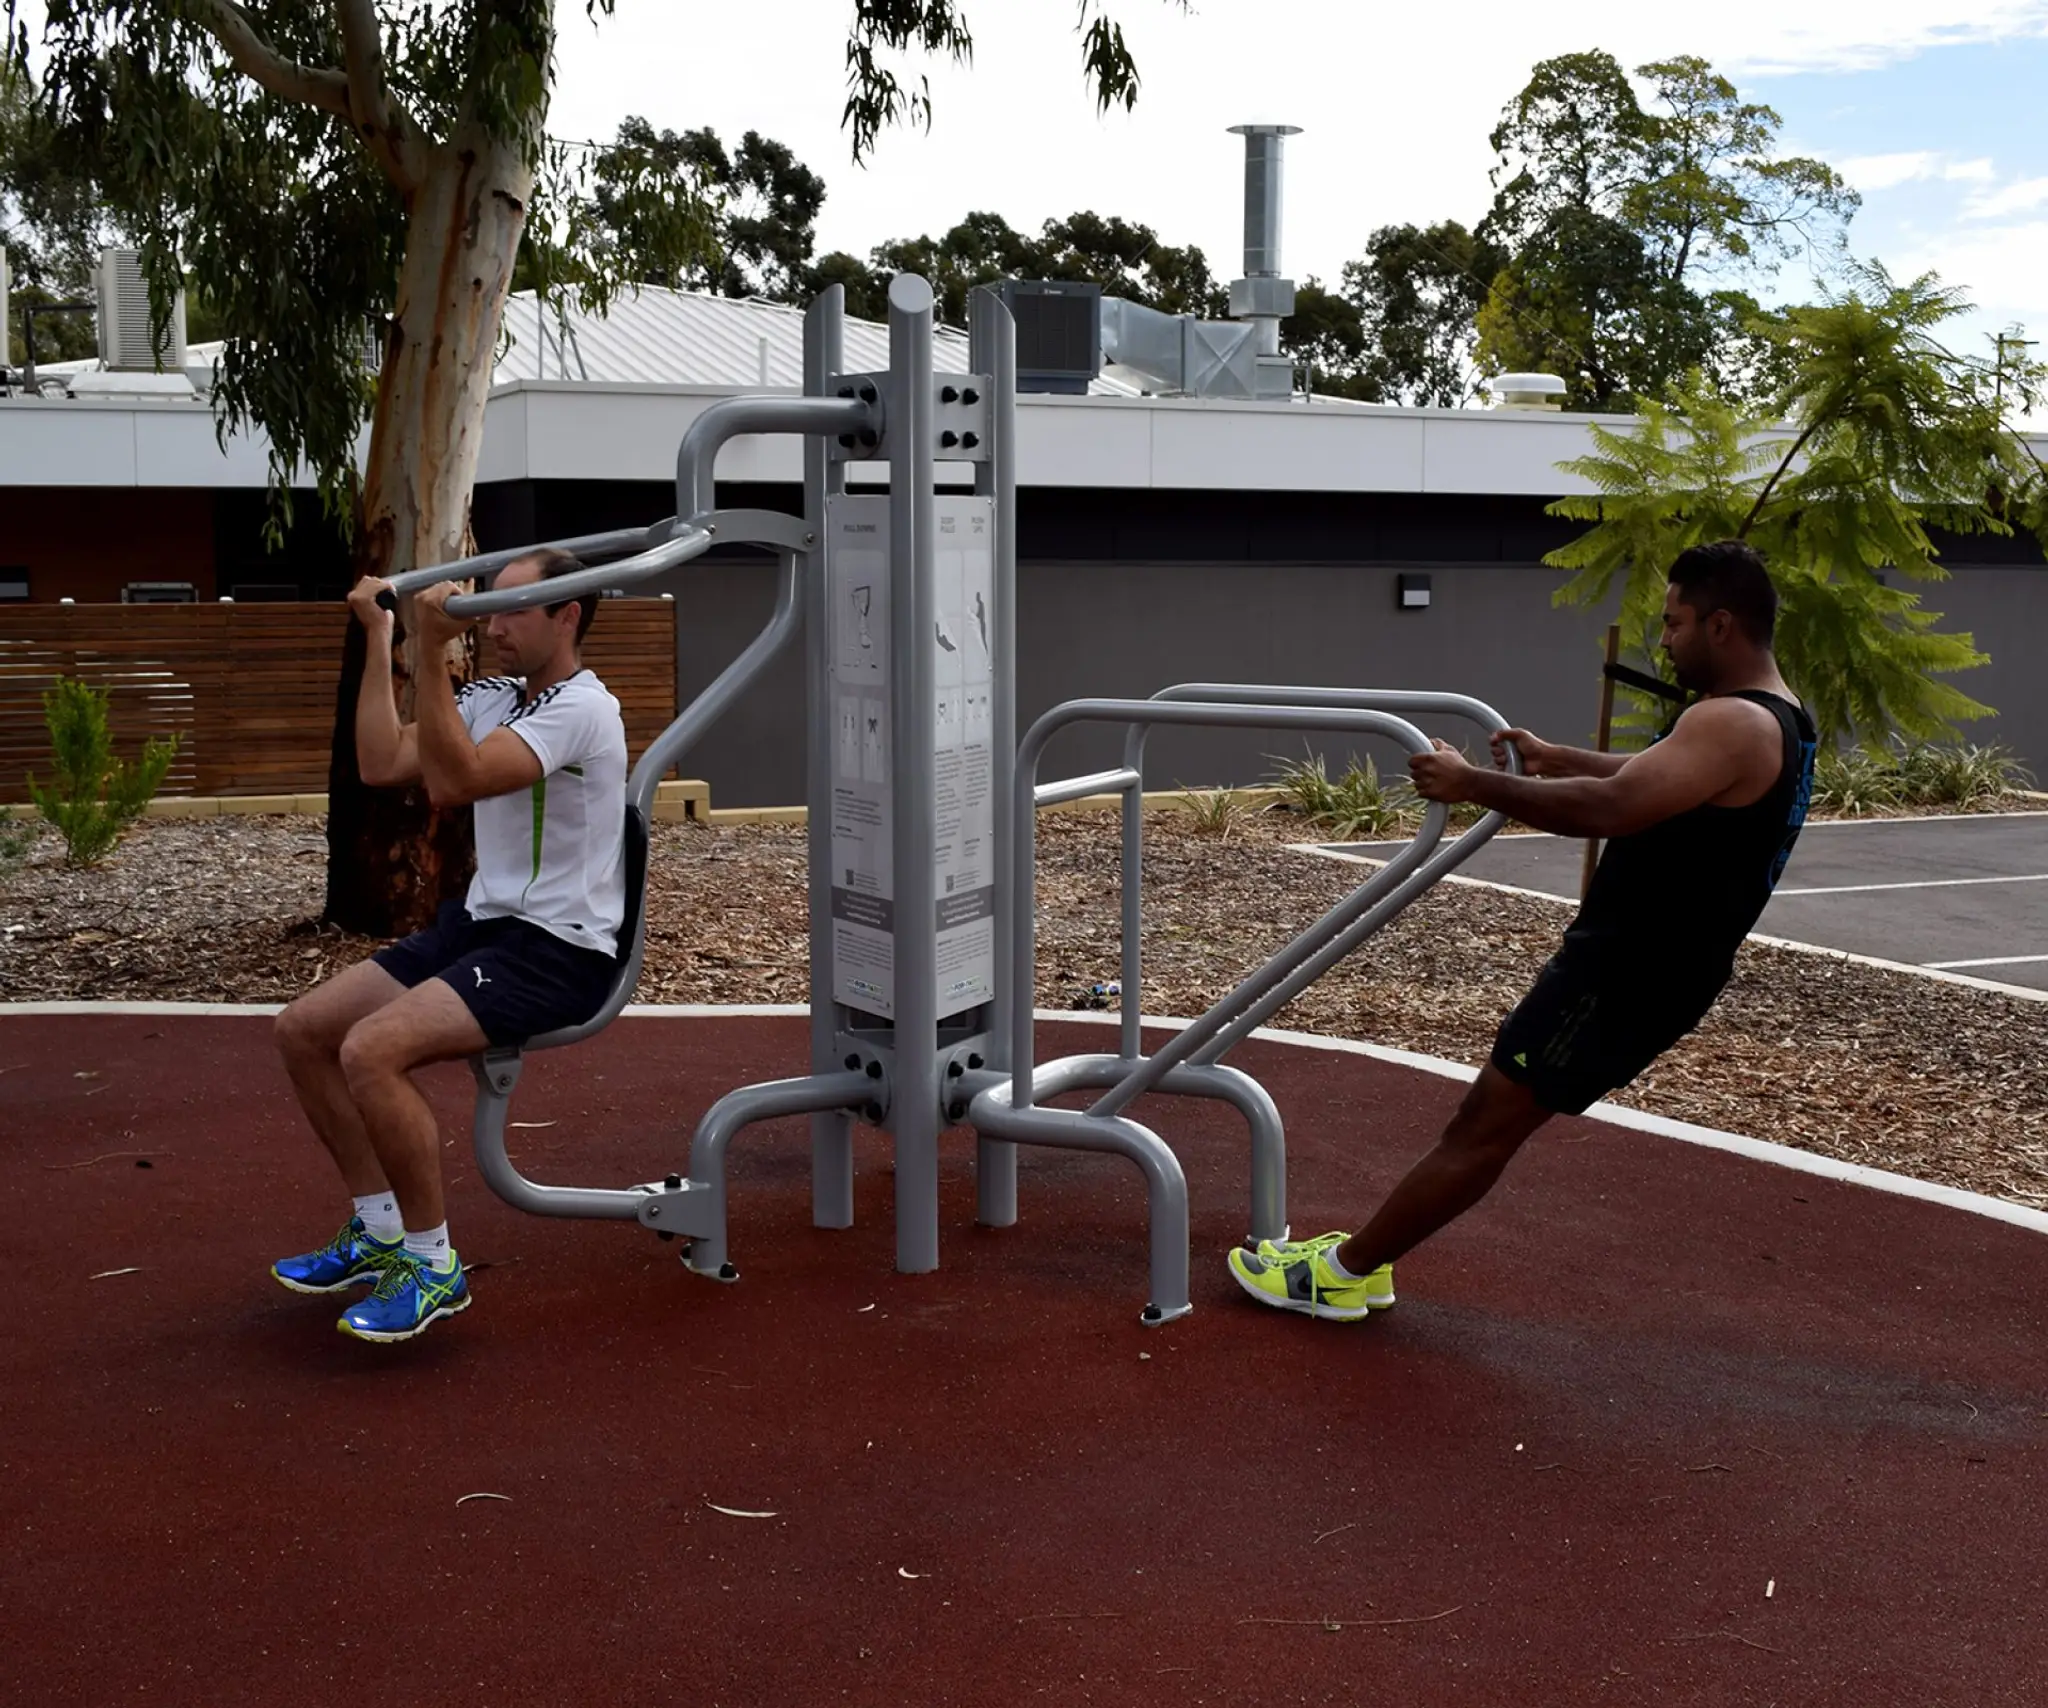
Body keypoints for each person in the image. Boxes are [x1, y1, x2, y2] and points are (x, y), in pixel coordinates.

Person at [1230, 540, 1818, 1320]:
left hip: (1625, 975)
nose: (1665, 641)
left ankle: (1340, 1275)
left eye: (1674, 624)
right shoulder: (1780, 715)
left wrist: (1473, 783)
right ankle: (1362, 1264)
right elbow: (1654, 778)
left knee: (1486, 1124)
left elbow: (1613, 808)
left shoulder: (1732, 721)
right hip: (1653, 969)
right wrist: (1554, 758)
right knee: (1487, 1120)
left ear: (1720, 625)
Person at [271, 549, 627, 1343]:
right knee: (303, 1031)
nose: (492, 627)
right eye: (488, 610)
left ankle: (433, 1266)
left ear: (568, 616)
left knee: (370, 1052)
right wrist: (382, 638)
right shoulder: (495, 696)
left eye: (513, 612)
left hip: (557, 949)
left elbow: (455, 782)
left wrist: (431, 652)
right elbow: (379, 763)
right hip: (481, 926)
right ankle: (379, 1230)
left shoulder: (584, 709)